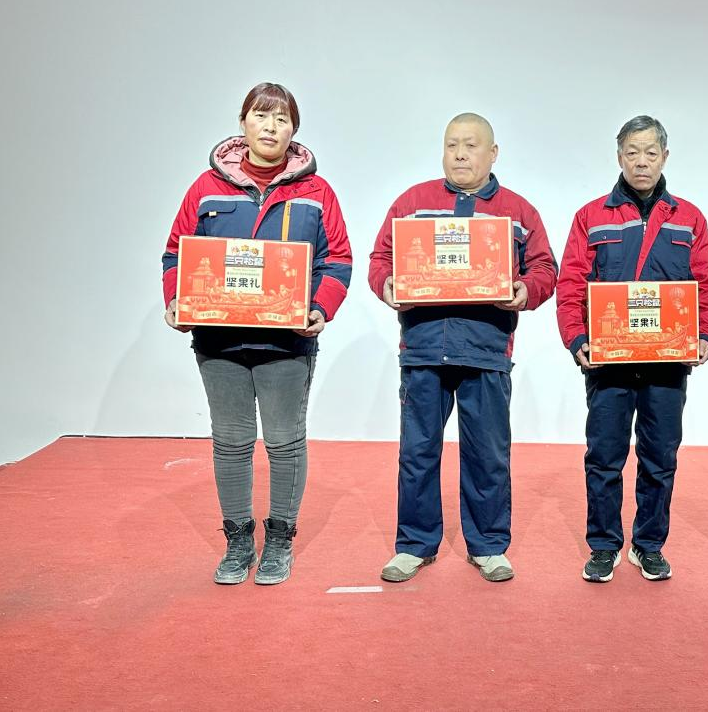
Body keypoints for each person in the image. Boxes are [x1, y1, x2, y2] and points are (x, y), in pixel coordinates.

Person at [161, 82, 353, 585]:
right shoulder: (205, 188)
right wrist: (176, 299)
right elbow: (176, 253)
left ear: (294, 130)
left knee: (285, 441)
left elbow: (337, 260)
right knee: (231, 441)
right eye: (261, 116)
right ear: (243, 123)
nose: (271, 127)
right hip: (219, 341)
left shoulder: (317, 193)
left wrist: (320, 307)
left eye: (282, 119)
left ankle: (280, 540)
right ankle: (238, 541)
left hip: (286, 342)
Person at [369, 113, 556, 583]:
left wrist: (525, 291)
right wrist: (387, 283)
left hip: (486, 350)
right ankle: (414, 545)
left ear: (493, 154)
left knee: (487, 454)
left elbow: (544, 269)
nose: (459, 154)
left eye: (471, 145)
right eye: (451, 144)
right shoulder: (412, 203)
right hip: (423, 349)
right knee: (417, 453)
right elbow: (380, 259)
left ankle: (489, 545)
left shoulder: (518, 211)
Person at [556, 116, 708, 582]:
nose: (642, 162)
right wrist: (576, 339)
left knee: (660, 458)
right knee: (603, 457)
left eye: (651, 152)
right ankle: (604, 545)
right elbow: (570, 284)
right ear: (619, 157)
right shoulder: (591, 216)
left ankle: (649, 545)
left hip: (667, 364)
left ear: (665, 157)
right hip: (608, 362)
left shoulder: (689, 218)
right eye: (632, 152)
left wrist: (707, 335)